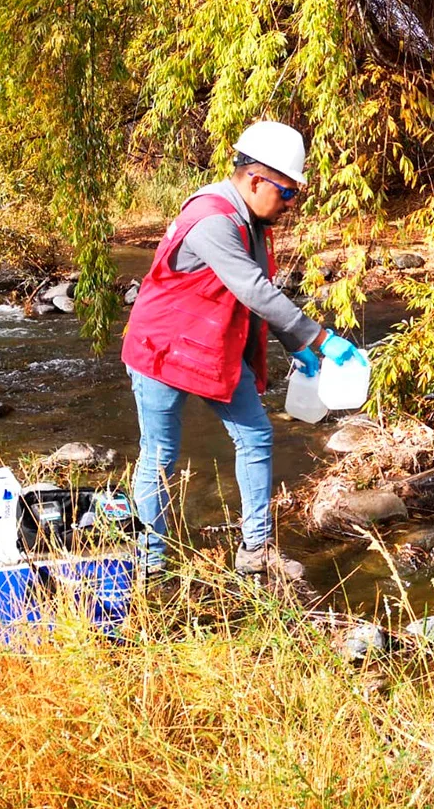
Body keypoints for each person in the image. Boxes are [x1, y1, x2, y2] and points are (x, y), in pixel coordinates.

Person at [122, 120, 360, 583]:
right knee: (159, 456)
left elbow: (251, 297)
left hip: (211, 350)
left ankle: (255, 552)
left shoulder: (249, 219)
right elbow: (252, 290)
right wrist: (318, 337)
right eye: (287, 194)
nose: (290, 205)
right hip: (163, 351)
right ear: (255, 180)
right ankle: (151, 562)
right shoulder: (213, 219)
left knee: (256, 437)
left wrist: (294, 345)